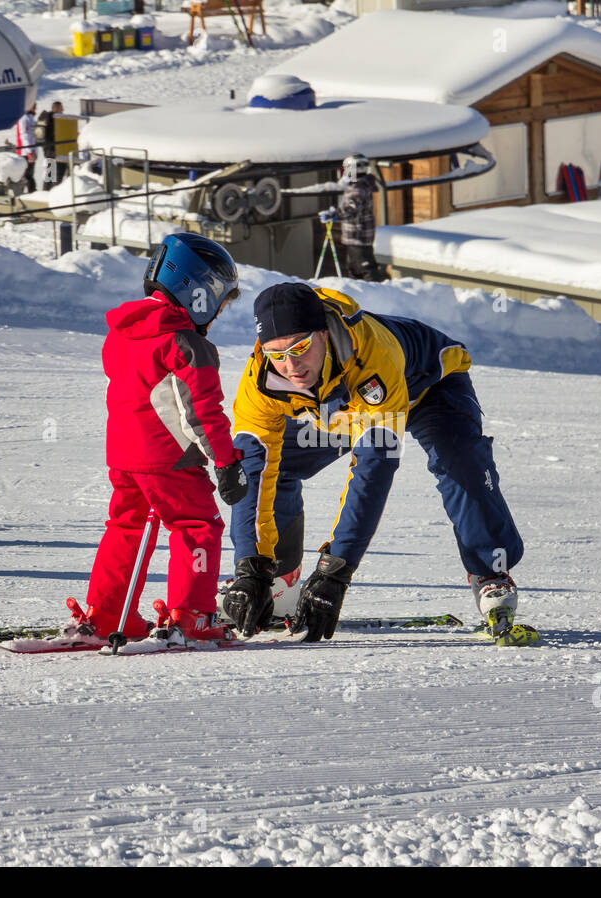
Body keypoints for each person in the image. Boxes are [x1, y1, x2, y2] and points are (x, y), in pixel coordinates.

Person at [219, 282, 531, 644]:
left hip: (428, 386)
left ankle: (490, 573)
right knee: (281, 462)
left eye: (301, 347)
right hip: (344, 407)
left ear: (322, 333)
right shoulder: (261, 380)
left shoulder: (371, 353)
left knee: (459, 463)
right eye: (277, 354)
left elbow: (373, 468)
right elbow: (254, 469)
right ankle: (280, 582)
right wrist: (250, 566)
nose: (291, 365)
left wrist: (336, 571)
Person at [68, 234, 248, 645]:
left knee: (126, 527)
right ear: (198, 291)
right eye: (219, 303)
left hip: (124, 456)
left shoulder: (121, 333)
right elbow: (202, 412)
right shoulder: (186, 343)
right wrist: (225, 461)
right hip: (171, 459)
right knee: (197, 525)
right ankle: (190, 618)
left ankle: (106, 612)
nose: (217, 314)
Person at [332, 153, 381, 281]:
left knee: (364, 270)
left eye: (345, 169)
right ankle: (360, 295)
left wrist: (334, 214)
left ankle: (376, 294)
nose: (343, 173)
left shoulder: (357, 189)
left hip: (358, 236)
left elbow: (351, 210)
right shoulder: (361, 186)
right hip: (357, 236)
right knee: (354, 270)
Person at [35, 101, 65, 188]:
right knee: (58, 174)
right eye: (61, 108)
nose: (63, 110)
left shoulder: (46, 118)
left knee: (50, 174)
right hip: (56, 150)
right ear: (57, 108)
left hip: (48, 150)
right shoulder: (55, 119)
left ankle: (46, 191)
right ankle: (53, 193)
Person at [14, 103, 41, 191]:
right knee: (25, 176)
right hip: (24, 152)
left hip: (31, 152)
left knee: (29, 176)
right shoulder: (23, 118)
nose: (35, 107)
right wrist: (29, 151)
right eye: (33, 105)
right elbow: (24, 136)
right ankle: (27, 194)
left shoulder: (31, 118)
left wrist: (34, 152)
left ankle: (31, 193)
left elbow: (34, 136)